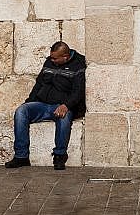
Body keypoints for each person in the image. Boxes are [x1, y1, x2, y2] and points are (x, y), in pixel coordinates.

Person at [5, 41, 86, 170]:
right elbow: (38, 85)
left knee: (64, 117)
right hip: (43, 104)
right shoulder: (49, 62)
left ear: (65, 57)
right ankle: (21, 156)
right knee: (21, 111)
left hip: (62, 106)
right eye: (51, 57)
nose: (51, 60)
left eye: (55, 58)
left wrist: (66, 105)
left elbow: (78, 91)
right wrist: (29, 102)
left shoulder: (78, 65)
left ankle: (59, 155)